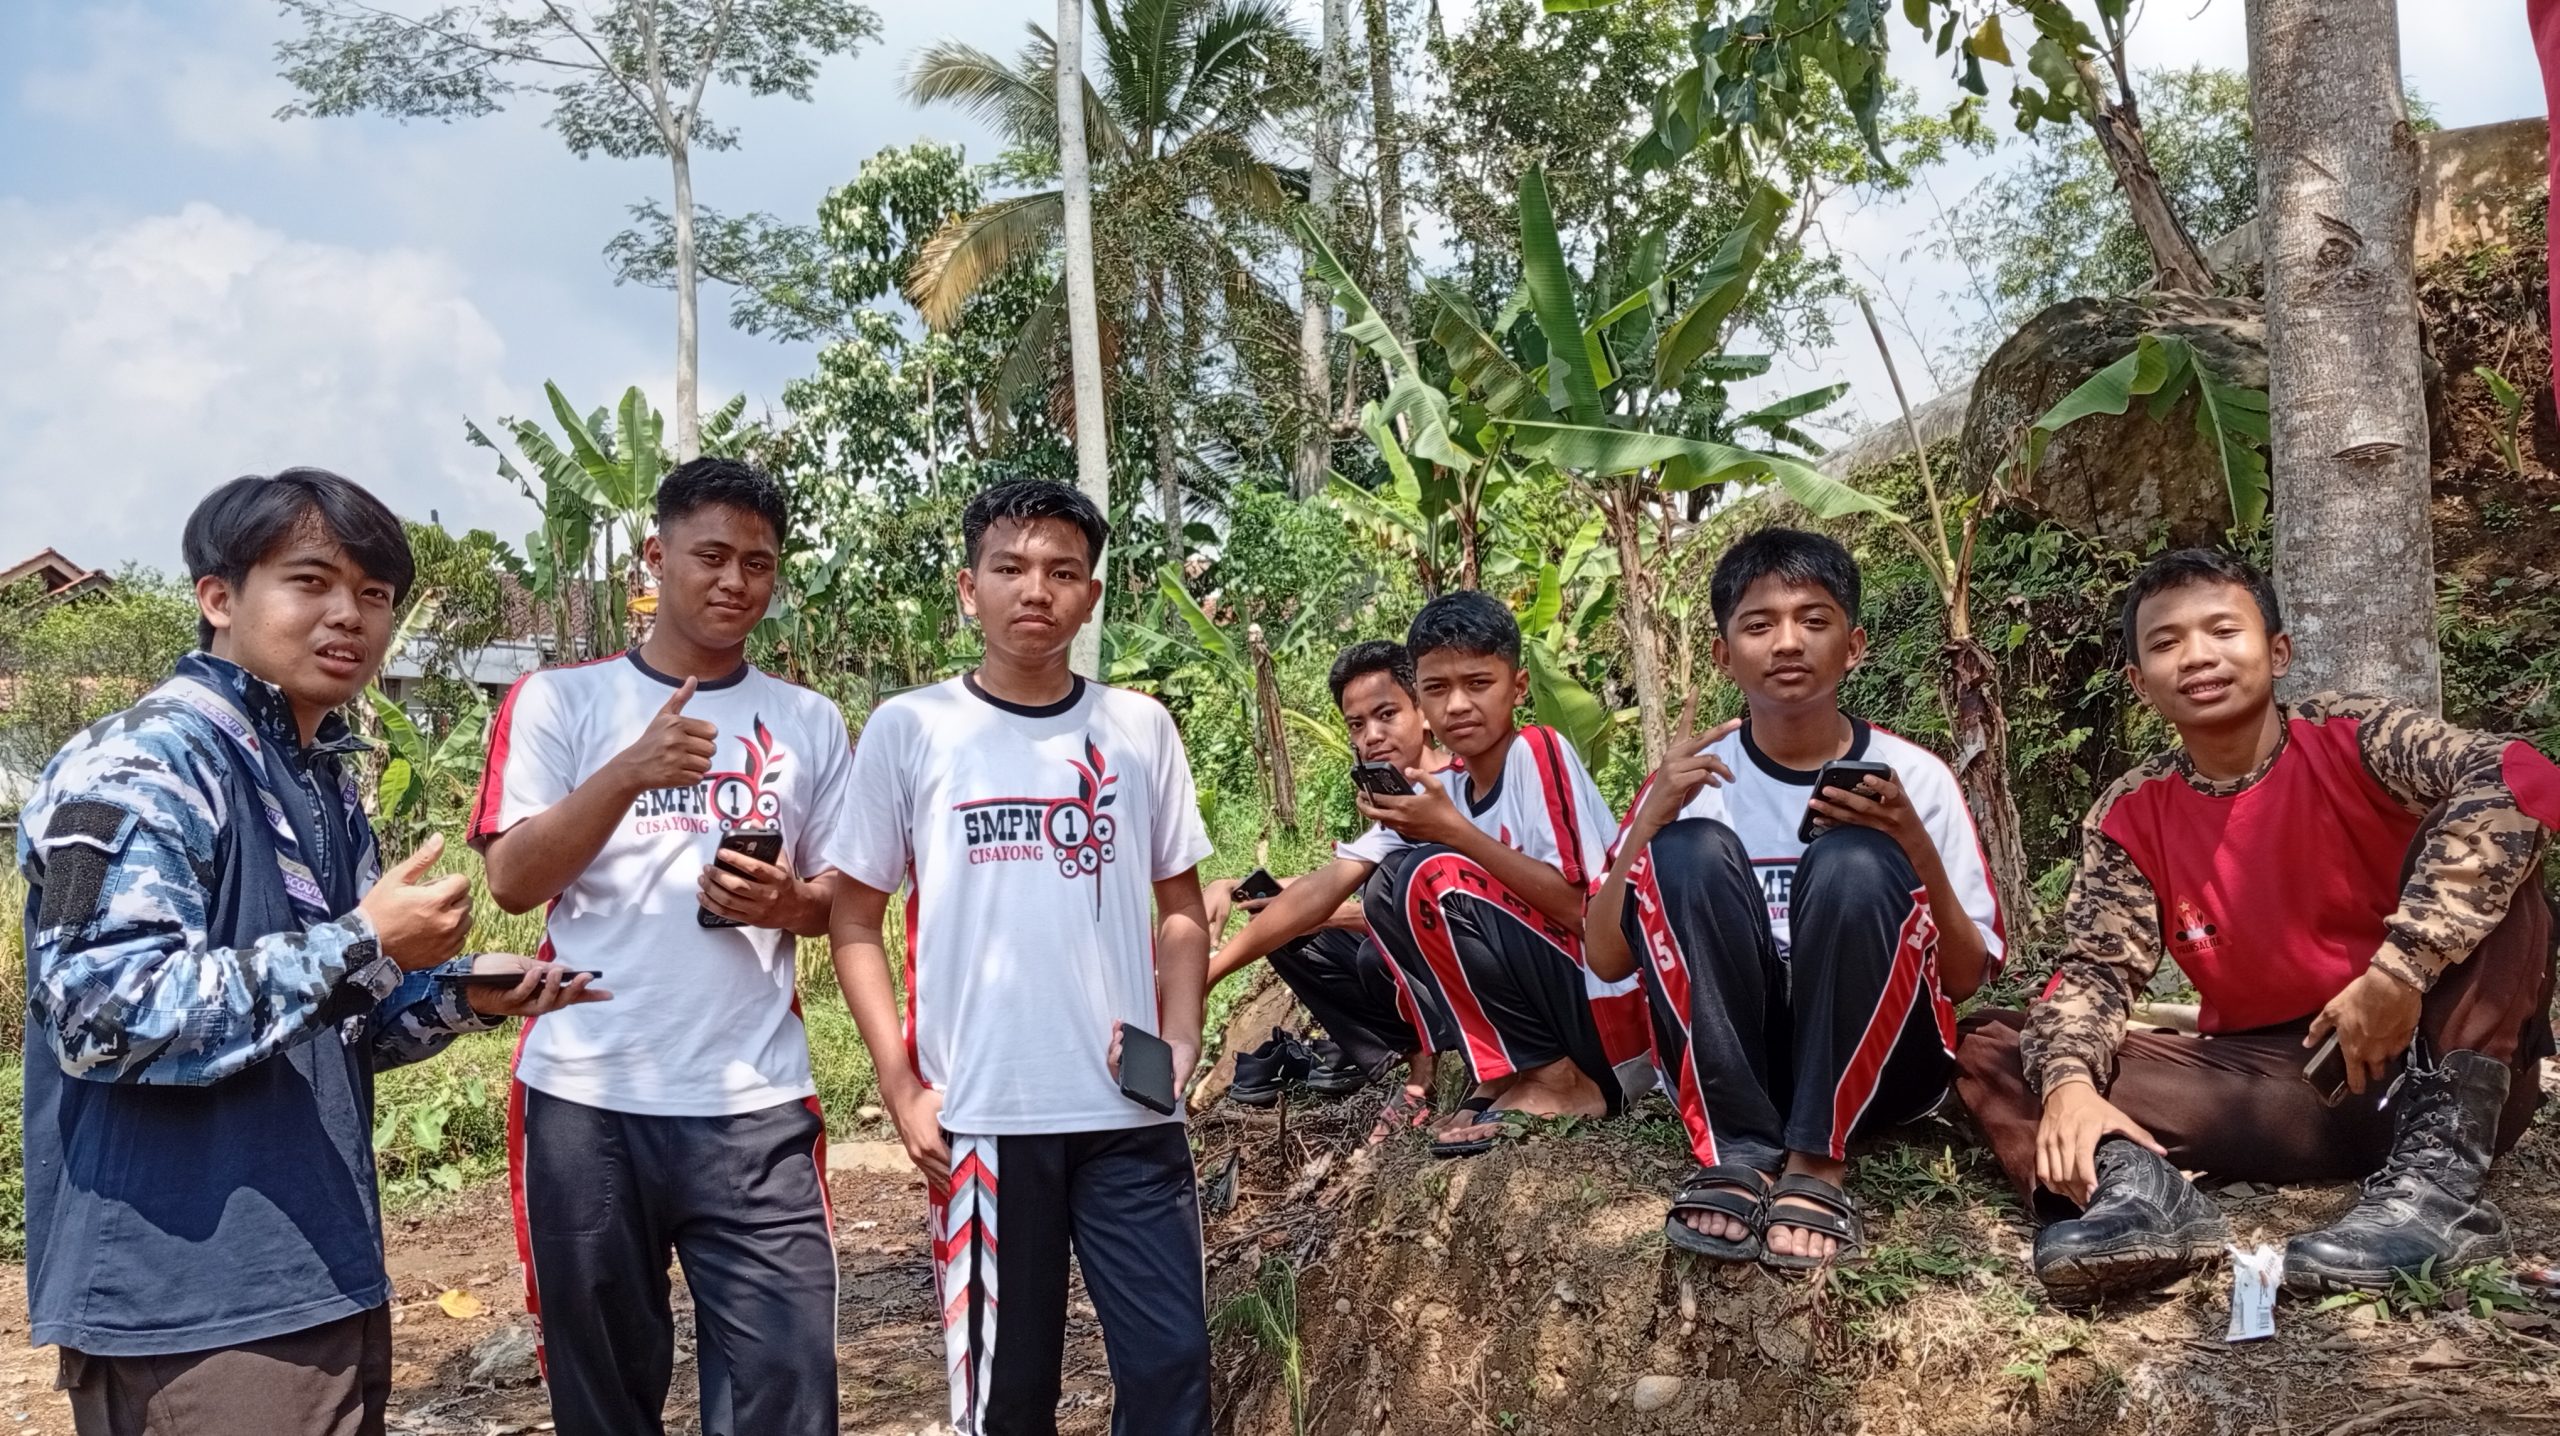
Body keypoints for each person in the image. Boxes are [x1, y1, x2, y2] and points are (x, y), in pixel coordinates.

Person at [15, 470, 599, 1436]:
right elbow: (101, 1013)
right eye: (310, 582)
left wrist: (460, 995)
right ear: (218, 597)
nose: (349, 616)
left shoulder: (318, 774)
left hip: (314, 1265)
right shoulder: (147, 762)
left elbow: (334, 1024)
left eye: (374, 594)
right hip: (190, 1297)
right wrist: (363, 939)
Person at [1953, 549, 2560, 1304]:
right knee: (1992, 1045)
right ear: (2140, 682)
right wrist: (2070, 1084)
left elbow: (2518, 775)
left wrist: (2401, 970)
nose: (2197, 657)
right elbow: (2095, 972)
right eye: (2167, 642)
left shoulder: (2359, 737)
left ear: (2278, 652)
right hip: (2279, 1090)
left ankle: (2438, 1198)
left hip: (2438, 1070)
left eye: (2222, 631)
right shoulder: (2132, 812)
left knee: (2500, 853)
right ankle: (2136, 1194)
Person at [473, 458, 856, 1436]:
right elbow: (512, 879)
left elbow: (839, 903)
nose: (735, 581)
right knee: (604, 1395)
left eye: (758, 564)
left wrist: (786, 901)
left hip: (753, 1098)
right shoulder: (559, 701)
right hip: (587, 1100)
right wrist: (629, 772)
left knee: (785, 1381)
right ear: (655, 555)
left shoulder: (808, 720)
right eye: (711, 555)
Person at [828, 480, 1217, 1436]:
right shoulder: (911, 729)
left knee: (1171, 1368)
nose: (1035, 590)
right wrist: (901, 1088)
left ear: (1091, 596)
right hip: (985, 1120)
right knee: (1007, 1398)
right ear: (970, 590)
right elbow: (854, 921)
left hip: (1131, 1111)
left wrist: (1182, 1039)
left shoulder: (1139, 728)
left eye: (1062, 572)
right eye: (1009, 568)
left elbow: (1181, 910)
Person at [1587, 528, 2004, 1271]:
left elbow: (1965, 978)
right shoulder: (1690, 784)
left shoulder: (1914, 776)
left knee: (1852, 860)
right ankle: (1740, 1152)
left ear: (1854, 646)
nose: (1787, 643)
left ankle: (1816, 1159)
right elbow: (1607, 958)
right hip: (1738, 1059)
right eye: (1758, 625)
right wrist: (1650, 822)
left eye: (1814, 620)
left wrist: (1912, 844)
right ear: (1723, 655)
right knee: (1689, 849)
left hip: (1885, 1067)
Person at [1328, 592, 1648, 1158]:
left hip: (1608, 1016)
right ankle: (1503, 1072)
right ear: (1421, 701)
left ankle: (1559, 1080)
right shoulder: (1449, 786)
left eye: (1478, 684)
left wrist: (1455, 834)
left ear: (1518, 687)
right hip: (1560, 1000)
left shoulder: (1536, 751)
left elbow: (1584, 914)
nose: (1457, 705)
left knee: (1433, 873)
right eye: (1437, 689)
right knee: (1387, 887)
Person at [1205, 640, 1448, 1135]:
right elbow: (1330, 880)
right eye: (1357, 725)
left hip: (1488, 964)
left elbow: (1429, 904)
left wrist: (1339, 913)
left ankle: (1429, 1074)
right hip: (1428, 960)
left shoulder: (1463, 784)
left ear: (1423, 711)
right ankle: (1407, 1054)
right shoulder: (1395, 803)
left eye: (1386, 715)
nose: (1371, 736)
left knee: (1371, 946)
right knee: (1285, 929)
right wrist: (1230, 887)